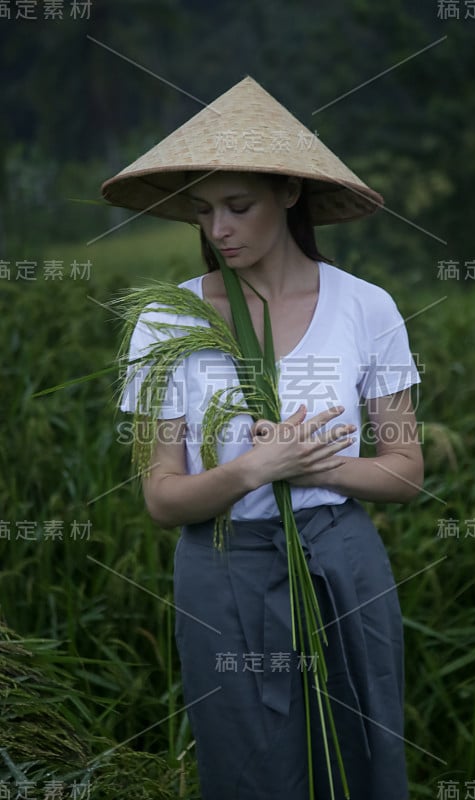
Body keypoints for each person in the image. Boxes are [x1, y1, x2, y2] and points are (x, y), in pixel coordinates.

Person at [102, 77, 423, 800]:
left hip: (342, 560)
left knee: (359, 754)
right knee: (249, 772)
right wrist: (255, 468)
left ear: (287, 193)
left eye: (238, 206)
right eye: (204, 209)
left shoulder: (366, 308)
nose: (219, 230)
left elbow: (404, 470)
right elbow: (161, 498)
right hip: (223, 574)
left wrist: (319, 467)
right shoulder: (167, 323)